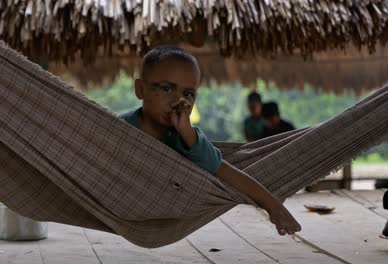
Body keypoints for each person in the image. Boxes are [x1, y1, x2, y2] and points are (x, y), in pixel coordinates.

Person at [118, 46, 301, 236]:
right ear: (140, 89)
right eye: (166, 88)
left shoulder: (188, 139)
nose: (178, 101)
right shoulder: (115, 130)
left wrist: (273, 207)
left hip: (165, 215)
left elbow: (227, 172)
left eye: (188, 94)